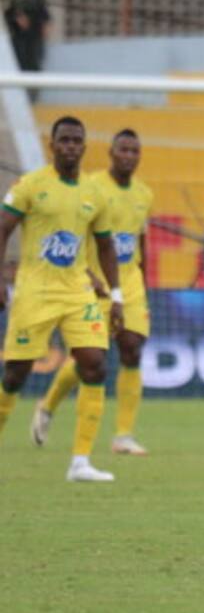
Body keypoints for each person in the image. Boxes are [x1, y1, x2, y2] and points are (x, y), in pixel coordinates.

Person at [0, 116, 122, 482]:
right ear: (52, 145)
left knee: (94, 364)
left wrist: (116, 295)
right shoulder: (31, 185)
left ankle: (80, 462)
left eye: (76, 141)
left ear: (84, 147)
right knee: (15, 375)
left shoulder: (93, 192)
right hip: (35, 292)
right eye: (64, 140)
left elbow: (105, 245)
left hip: (76, 291)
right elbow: (3, 228)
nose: (70, 146)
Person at [33, 129, 154, 455]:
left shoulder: (144, 194)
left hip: (130, 284)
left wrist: (144, 284)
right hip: (94, 283)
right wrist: (87, 274)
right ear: (111, 153)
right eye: (123, 150)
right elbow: (74, 233)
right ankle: (48, 405)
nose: (129, 156)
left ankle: (123, 435)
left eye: (134, 151)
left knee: (132, 349)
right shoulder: (92, 187)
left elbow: (141, 241)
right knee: (89, 357)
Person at [3, 0, 51, 74]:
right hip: (19, 38)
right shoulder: (14, 1)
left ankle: (34, 84)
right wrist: (17, 19)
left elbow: (45, 18)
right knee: (20, 64)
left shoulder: (37, 1)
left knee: (34, 64)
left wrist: (45, 31)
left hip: (34, 37)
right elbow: (7, 17)